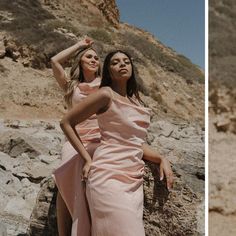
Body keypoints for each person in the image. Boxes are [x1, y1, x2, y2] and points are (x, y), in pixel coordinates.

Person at [60, 50, 174, 236]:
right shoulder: (105, 94)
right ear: (108, 70)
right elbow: (66, 122)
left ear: (131, 67)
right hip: (107, 177)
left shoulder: (136, 101)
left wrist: (161, 158)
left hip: (133, 180)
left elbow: (134, 143)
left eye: (126, 61)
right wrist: (87, 158)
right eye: (115, 62)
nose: (122, 64)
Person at [51, 37, 101, 236]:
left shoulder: (106, 85)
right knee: (66, 170)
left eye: (97, 58)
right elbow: (54, 61)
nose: (93, 60)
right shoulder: (71, 86)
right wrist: (80, 45)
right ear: (80, 61)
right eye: (89, 57)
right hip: (75, 138)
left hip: (99, 137)